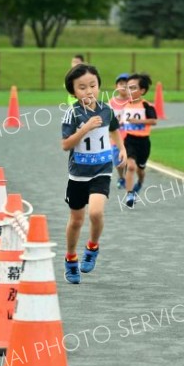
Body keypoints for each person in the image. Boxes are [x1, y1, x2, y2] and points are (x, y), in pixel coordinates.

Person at [61, 63, 127, 284]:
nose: (88, 91)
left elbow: (114, 129)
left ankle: (92, 247)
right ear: (73, 92)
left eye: (93, 85)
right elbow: (65, 144)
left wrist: (122, 149)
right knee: (77, 220)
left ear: (99, 85)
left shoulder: (106, 110)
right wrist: (86, 128)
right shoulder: (72, 114)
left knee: (96, 213)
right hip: (78, 174)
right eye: (82, 87)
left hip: (101, 170)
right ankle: (70, 259)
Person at [122, 73, 158, 208]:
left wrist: (138, 121)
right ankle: (129, 194)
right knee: (131, 166)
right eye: (128, 88)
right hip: (129, 140)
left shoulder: (146, 105)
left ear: (142, 90)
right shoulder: (125, 105)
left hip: (143, 142)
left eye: (133, 88)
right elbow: (121, 120)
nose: (129, 91)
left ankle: (140, 182)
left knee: (140, 169)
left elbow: (154, 121)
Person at [109, 73, 129, 189]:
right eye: (121, 84)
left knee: (129, 159)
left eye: (127, 84)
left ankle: (128, 176)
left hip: (130, 135)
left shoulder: (134, 101)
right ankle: (121, 176)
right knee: (118, 160)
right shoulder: (112, 102)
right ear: (116, 86)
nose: (124, 86)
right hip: (116, 137)